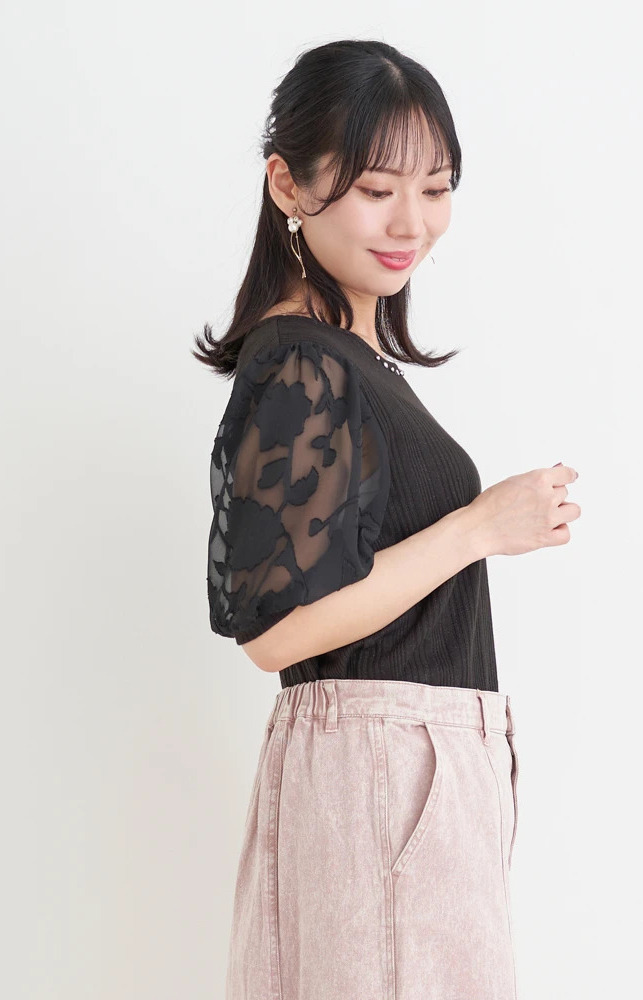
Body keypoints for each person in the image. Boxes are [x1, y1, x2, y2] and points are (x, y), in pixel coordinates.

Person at [193, 38, 581, 1000]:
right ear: (288, 184)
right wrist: (477, 528)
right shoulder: (302, 362)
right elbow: (278, 630)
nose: (413, 221)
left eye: (436, 188)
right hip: (383, 768)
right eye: (376, 189)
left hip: (411, 770)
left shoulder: (349, 358)